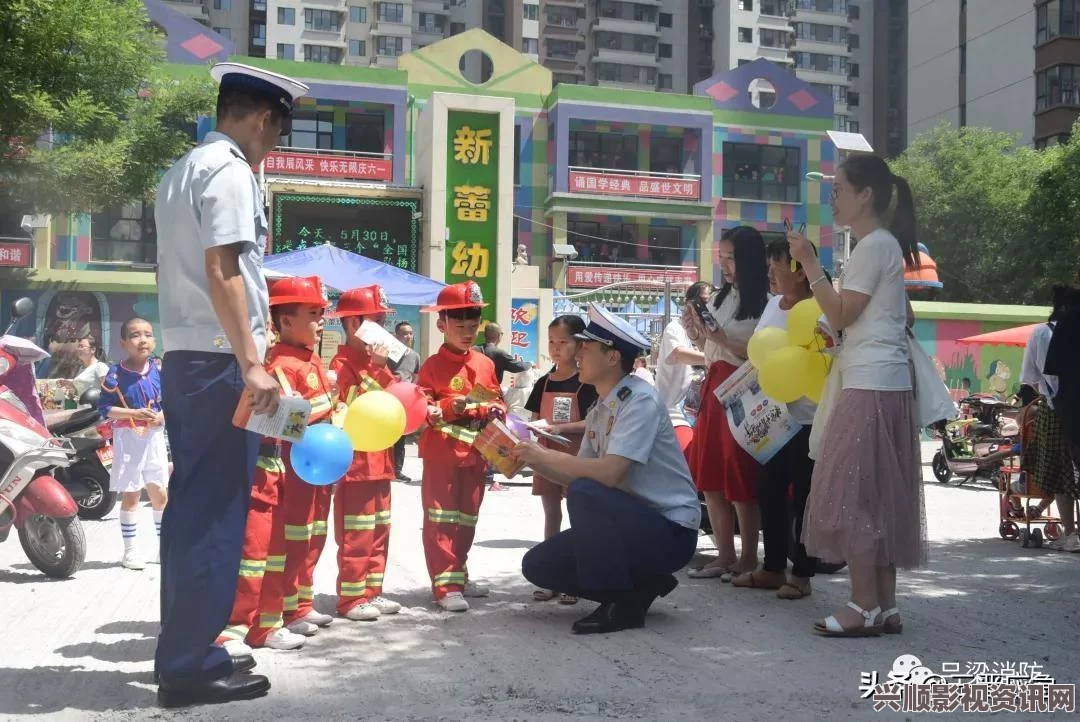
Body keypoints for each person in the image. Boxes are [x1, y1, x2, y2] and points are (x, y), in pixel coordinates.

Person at [153, 62, 308, 706]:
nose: (273, 148)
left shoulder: (182, 169)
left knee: (193, 511)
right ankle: (190, 663)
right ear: (264, 118)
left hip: (190, 358)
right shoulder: (232, 170)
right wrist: (250, 360)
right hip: (220, 362)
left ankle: (189, 649)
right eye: (277, 135)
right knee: (215, 514)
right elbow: (224, 268)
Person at [788, 153, 927, 637]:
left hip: (868, 384)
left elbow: (843, 313)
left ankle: (863, 605)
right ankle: (884, 605)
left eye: (839, 190)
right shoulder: (886, 246)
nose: (834, 199)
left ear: (865, 195)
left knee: (857, 496)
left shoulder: (872, 246)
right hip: (885, 381)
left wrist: (809, 264)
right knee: (880, 495)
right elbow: (902, 318)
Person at [514, 304, 701, 635]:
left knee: (587, 491)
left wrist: (540, 456)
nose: (578, 354)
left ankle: (621, 605)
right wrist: (531, 459)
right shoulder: (603, 405)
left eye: (587, 348)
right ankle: (645, 583)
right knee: (538, 565)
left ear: (613, 358)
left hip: (669, 531)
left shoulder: (639, 400)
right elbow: (580, 470)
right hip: (631, 525)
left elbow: (609, 474)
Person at [214, 287, 310, 656]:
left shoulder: (275, 369)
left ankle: (267, 625)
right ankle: (234, 628)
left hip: (277, 471)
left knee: (274, 554)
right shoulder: (246, 370)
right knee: (250, 556)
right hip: (250, 475)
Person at [730, 240, 823, 598]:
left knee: (804, 496)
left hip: (809, 417)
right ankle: (772, 567)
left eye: (777, 267)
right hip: (772, 418)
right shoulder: (771, 305)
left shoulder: (821, 308)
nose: (770, 274)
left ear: (800, 270)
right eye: (768, 267)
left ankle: (802, 574)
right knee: (768, 489)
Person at [417, 281, 508, 612]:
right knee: (441, 518)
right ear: (442, 325)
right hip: (442, 452)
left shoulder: (484, 364)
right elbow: (422, 409)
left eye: (473, 326)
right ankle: (445, 586)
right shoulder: (431, 366)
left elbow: (496, 396)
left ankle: (458, 571)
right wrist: (452, 406)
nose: (468, 333)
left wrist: (498, 408)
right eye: (460, 326)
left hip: (477, 452)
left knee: (468, 517)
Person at [684, 226, 769, 581]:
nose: (725, 265)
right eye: (721, 257)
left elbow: (761, 353)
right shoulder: (719, 298)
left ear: (749, 259)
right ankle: (724, 555)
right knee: (711, 475)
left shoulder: (765, 301)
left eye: (731, 257)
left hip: (744, 390)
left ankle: (748, 558)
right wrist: (696, 330)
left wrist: (720, 338)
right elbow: (708, 349)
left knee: (740, 477)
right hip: (713, 388)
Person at [258, 278, 338, 638]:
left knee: (311, 534)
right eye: (314, 314)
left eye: (322, 314)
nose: (322, 321)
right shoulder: (279, 362)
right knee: (292, 538)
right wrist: (332, 404)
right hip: (293, 465)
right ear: (286, 320)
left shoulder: (310, 358)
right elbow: (290, 416)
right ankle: (285, 608)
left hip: (315, 467)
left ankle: (300, 604)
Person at [328, 285, 404, 620]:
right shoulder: (341, 363)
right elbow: (354, 407)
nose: (382, 328)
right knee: (356, 533)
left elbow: (392, 401)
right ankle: (351, 598)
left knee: (379, 530)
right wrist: (376, 366)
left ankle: (373, 591)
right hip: (356, 464)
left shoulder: (377, 362)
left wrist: (379, 366)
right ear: (354, 322)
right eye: (375, 320)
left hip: (381, 460)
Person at [523, 314, 599, 605]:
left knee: (577, 514)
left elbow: (593, 423)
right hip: (546, 456)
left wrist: (559, 428)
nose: (556, 348)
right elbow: (532, 420)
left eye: (563, 342)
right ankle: (549, 575)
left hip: (577, 457)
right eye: (552, 342)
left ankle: (575, 577)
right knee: (550, 512)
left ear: (580, 345)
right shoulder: (543, 382)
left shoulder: (588, 382)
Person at [97, 318, 168, 571]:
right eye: (135, 335)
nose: (143, 340)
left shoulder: (161, 370)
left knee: (160, 493)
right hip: (128, 440)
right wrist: (134, 415)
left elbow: (171, 403)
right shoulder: (115, 374)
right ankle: (131, 551)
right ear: (123, 343)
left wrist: (163, 416)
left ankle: (164, 548)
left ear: (155, 340)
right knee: (132, 493)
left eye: (148, 334)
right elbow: (104, 408)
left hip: (155, 438)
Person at [1040, 283, 1080, 551]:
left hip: (1070, 406)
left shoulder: (1065, 322)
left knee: (1068, 470)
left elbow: (1049, 371)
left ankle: (1071, 532)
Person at [655, 281, 711, 453]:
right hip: (675, 414)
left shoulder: (711, 330)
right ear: (688, 303)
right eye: (703, 301)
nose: (707, 307)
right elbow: (679, 354)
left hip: (703, 413)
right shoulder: (675, 328)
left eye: (710, 302)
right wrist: (714, 358)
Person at [389, 321, 421, 483]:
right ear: (396, 336)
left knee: (401, 437)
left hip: (405, 402)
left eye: (410, 333)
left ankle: (397, 470)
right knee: (387, 436)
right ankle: (385, 469)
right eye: (404, 334)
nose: (408, 336)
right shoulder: (389, 354)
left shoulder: (415, 356)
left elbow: (415, 377)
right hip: (388, 399)